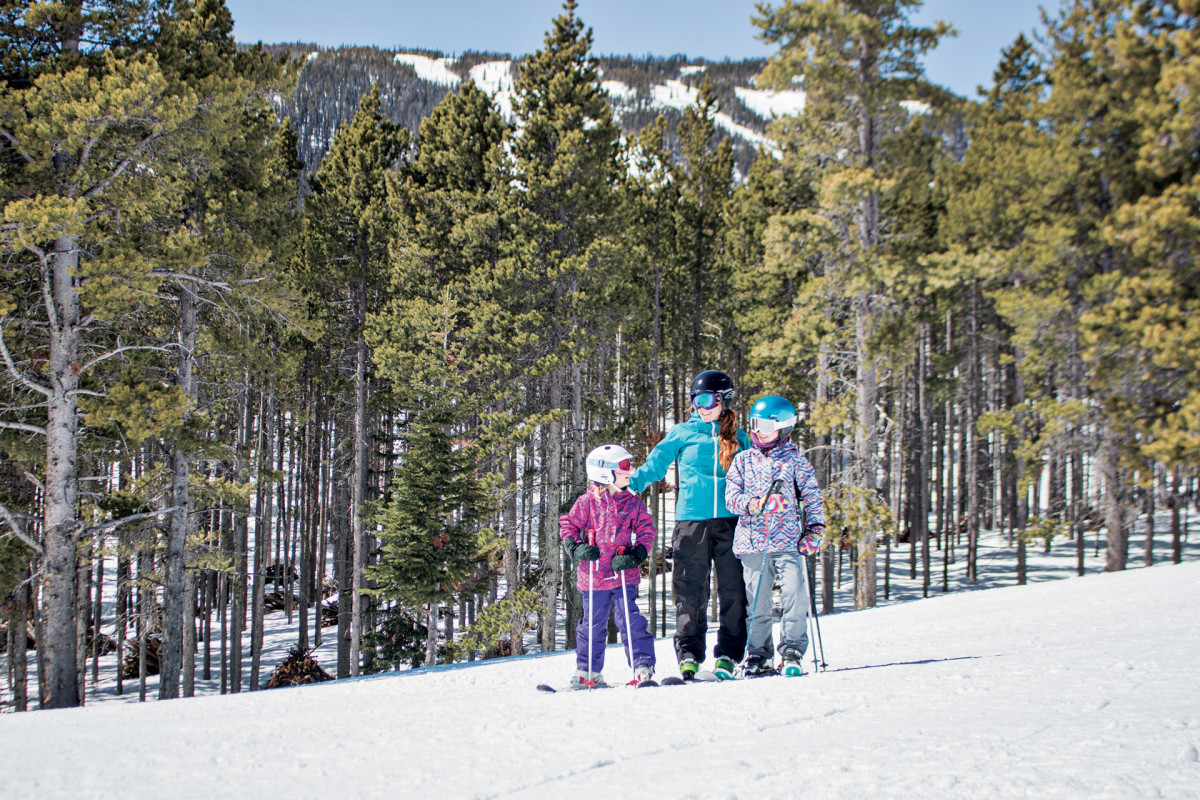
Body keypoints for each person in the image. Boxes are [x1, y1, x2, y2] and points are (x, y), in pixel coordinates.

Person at [627, 370, 752, 681]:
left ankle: (728, 654)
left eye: (708, 399)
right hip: (691, 523)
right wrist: (630, 485)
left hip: (732, 523)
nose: (701, 405)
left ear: (724, 399)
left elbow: (757, 474)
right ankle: (689, 655)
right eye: (696, 399)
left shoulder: (740, 438)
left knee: (733, 591)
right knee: (689, 591)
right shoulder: (683, 432)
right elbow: (656, 462)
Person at [724, 395, 826, 677]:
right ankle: (759, 653)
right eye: (755, 424)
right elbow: (731, 497)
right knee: (757, 600)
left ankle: (792, 650)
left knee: (794, 593)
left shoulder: (796, 462)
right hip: (753, 542)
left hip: (789, 543)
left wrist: (815, 530)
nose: (757, 431)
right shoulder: (743, 460)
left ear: (783, 427)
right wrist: (753, 504)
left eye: (765, 426)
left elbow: (812, 498)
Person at [559, 444, 658, 688]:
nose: (630, 470)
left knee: (630, 620)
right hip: (593, 575)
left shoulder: (632, 503)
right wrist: (576, 547)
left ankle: (642, 665)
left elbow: (646, 529)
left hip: (623, 572)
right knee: (591, 623)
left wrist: (637, 553)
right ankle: (587, 670)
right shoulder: (586, 503)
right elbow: (568, 526)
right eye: (624, 466)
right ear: (605, 473)